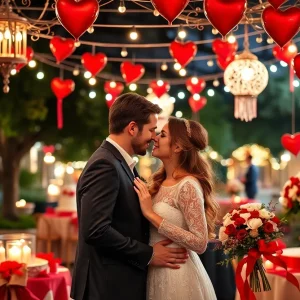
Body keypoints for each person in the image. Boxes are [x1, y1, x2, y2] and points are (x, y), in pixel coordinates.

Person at [71, 93, 189, 300]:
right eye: (152, 130)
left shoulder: (118, 162)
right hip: (106, 286)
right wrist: (149, 253)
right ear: (132, 128)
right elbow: (96, 230)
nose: (154, 137)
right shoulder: (105, 165)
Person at [134, 117, 218, 300]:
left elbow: (200, 242)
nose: (155, 138)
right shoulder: (159, 182)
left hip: (177, 274)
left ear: (178, 147)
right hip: (155, 271)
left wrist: (150, 214)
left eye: (162, 135)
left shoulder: (187, 185)